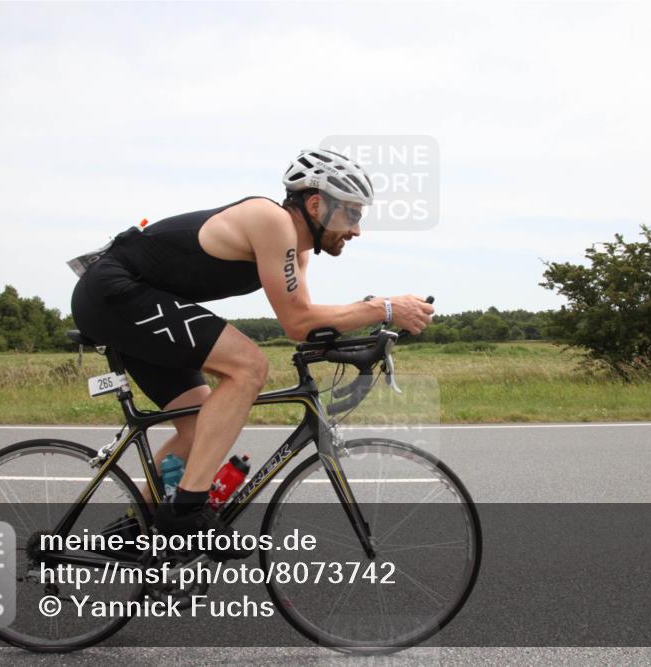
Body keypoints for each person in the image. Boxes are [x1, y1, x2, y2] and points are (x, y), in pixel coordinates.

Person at [70, 148, 435, 560]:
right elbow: (297, 321)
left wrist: (363, 349)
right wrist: (383, 307)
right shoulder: (270, 220)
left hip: (136, 302)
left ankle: (131, 531)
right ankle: (186, 512)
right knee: (248, 366)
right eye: (351, 214)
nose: (357, 230)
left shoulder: (298, 252)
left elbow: (307, 324)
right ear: (317, 205)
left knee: (199, 423)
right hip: (113, 292)